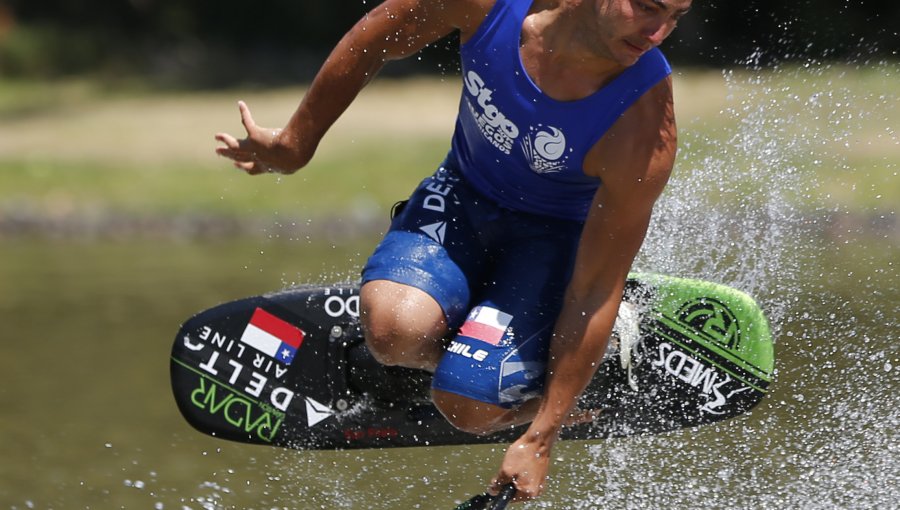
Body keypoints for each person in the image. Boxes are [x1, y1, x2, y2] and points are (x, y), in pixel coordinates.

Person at [215, 0, 692, 503]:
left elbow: (595, 288)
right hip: (462, 196)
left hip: (553, 244)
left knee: (467, 408)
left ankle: (575, 364)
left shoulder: (642, 123)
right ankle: (460, 352)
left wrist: (540, 438)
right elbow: (372, 37)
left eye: (676, 17)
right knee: (392, 332)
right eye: (647, 7)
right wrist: (295, 144)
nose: (658, 31)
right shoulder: (490, 7)